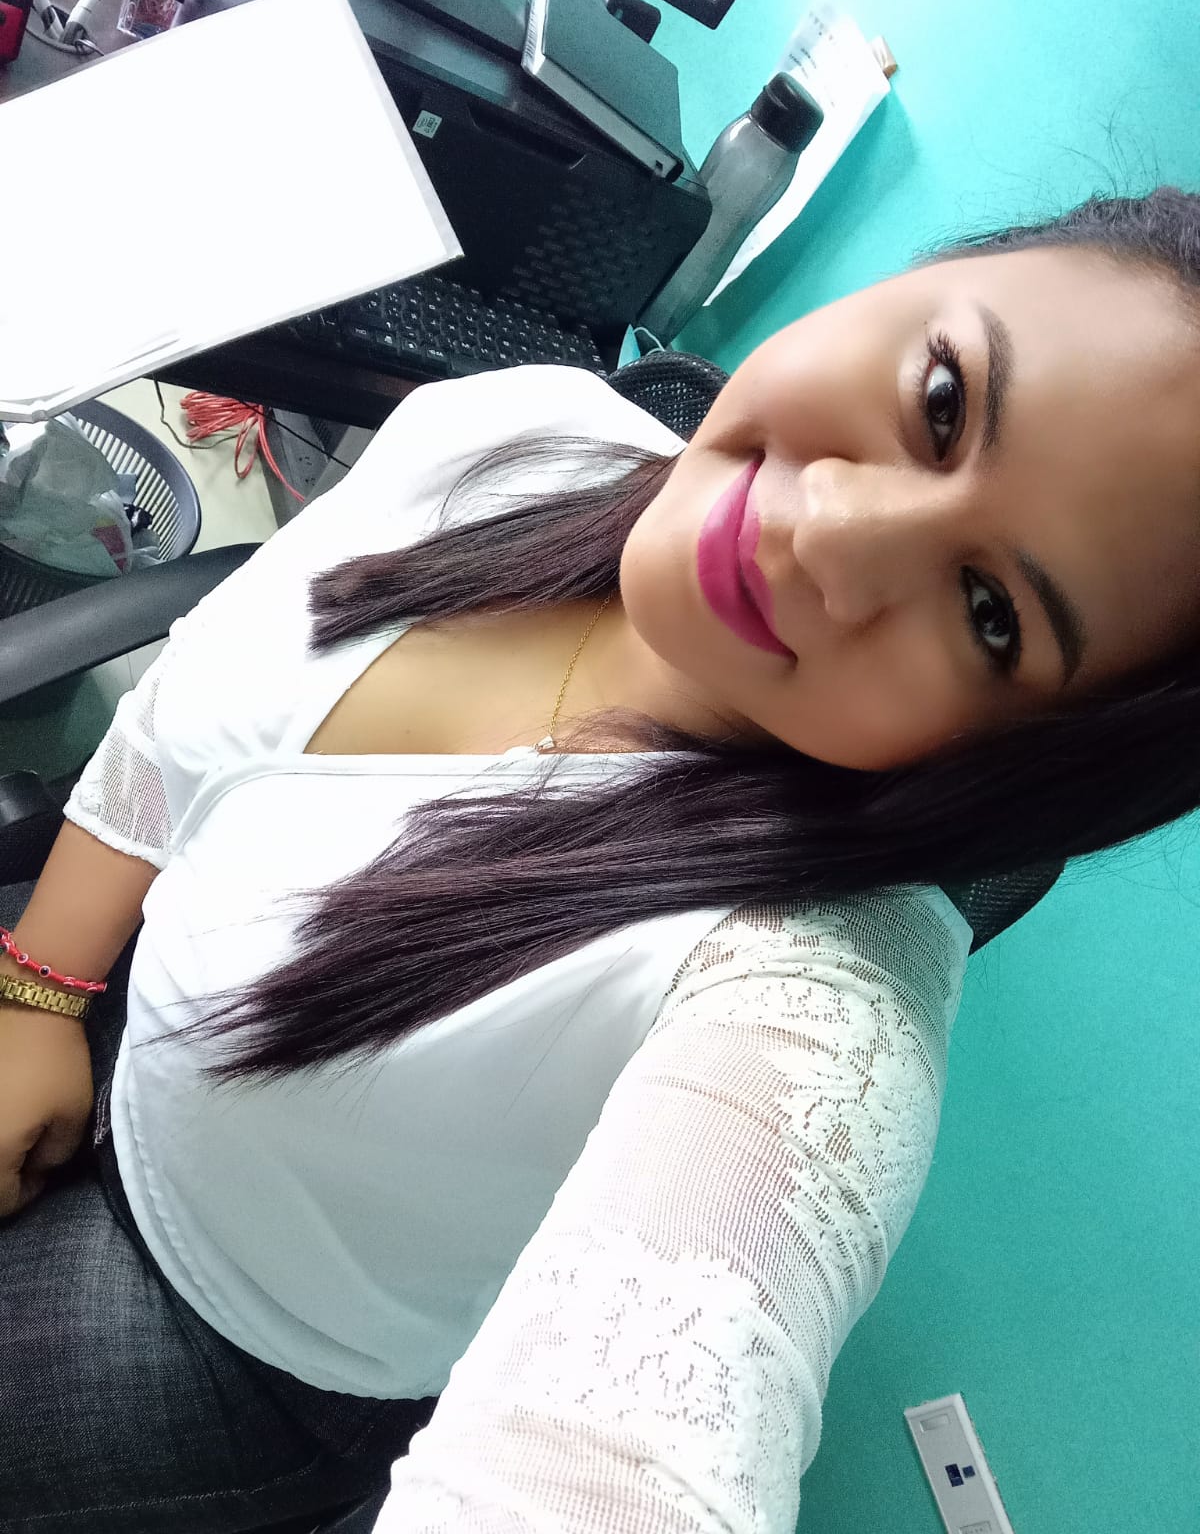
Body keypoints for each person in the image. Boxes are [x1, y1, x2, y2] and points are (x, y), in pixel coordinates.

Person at [2, 187, 1199, 1534]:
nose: (832, 537)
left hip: (222, 1331)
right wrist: (40, 984)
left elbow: (640, 1454)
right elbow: (193, 704)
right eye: (942, 401)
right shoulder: (523, 435)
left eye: (988, 613)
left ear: (1015, 760)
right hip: (94, 993)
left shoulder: (813, 993)